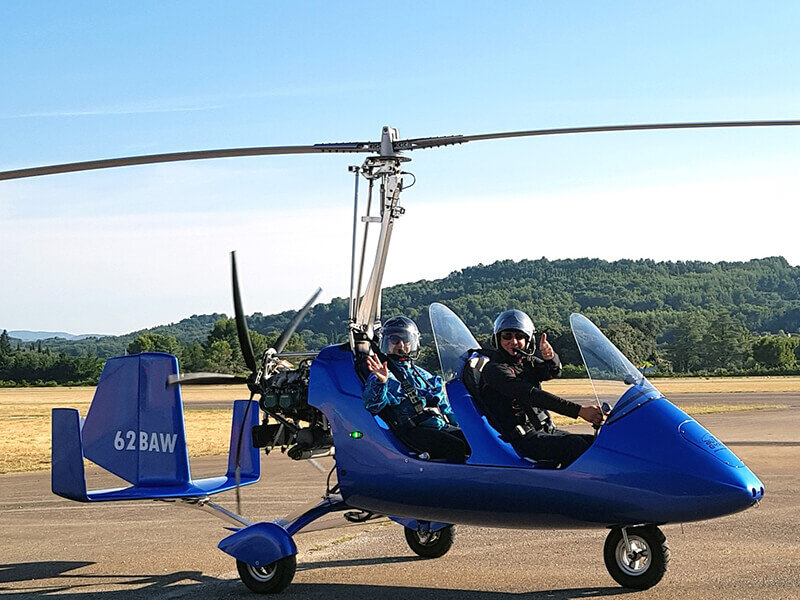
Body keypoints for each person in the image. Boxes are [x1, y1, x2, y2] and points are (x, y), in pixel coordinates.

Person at [479, 309, 605, 467]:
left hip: (543, 430)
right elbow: (531, 395)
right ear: (497, 339)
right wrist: (579, 411)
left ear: (528, 340)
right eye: (507, 336)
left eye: (519, 336)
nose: (513, 341)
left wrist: (550, 357)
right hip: (521, 439)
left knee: (596, 444)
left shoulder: (525, 362)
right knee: (575, 446)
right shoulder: (495, 369)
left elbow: (552, 372)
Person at [362, 316, 468, 462]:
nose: (400, 344)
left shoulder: (422, 374)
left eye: (405, 339)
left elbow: (445, 407)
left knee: (473, 440)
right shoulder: (384, 374)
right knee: (456, 446)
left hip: (437, 426)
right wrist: (381, 382)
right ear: (385, 342)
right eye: (394, 339)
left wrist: (463, 425)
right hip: (412, 430)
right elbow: (372, 405)